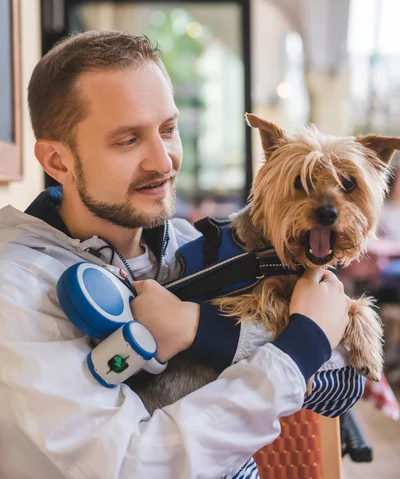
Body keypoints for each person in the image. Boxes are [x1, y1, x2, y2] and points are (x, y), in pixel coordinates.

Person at [0, 31, 359, 479]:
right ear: (57, 162)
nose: (163, 160)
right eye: (128, 140)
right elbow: (131, 464)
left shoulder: (196, 242)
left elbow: (343, 382)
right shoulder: (16, 289)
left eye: (168, 130)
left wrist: (200, 329)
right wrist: (297, 343)